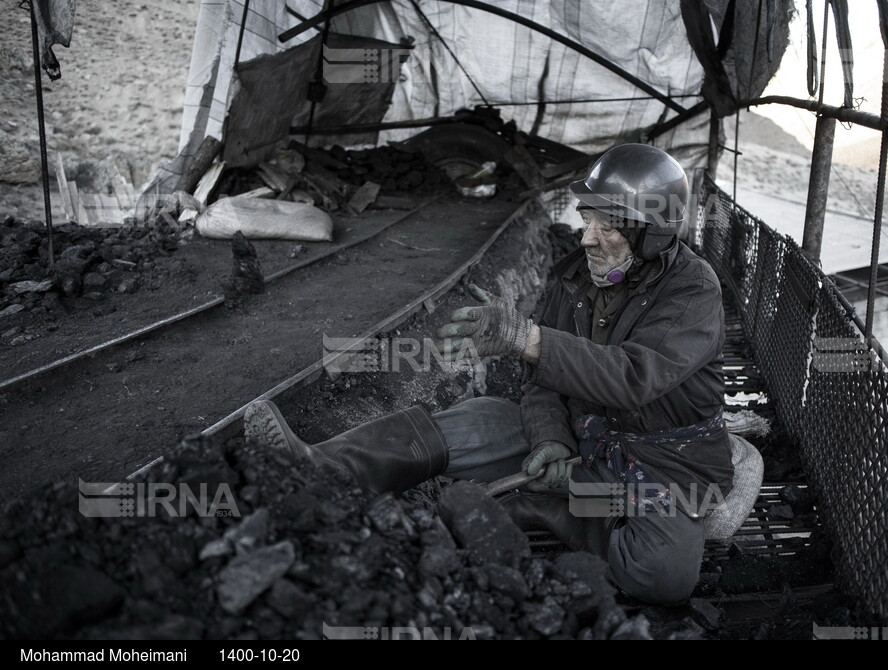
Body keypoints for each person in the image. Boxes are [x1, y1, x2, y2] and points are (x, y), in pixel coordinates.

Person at [245, 144, 746, 604]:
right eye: (586, 219)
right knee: (476, 418)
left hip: (663, 462)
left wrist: (527, 338)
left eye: (607, 226)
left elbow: (634, 376)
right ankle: (315, 467)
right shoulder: (574, 277)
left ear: (651, 232)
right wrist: (552, 438)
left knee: (661, 575)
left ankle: (555, 505)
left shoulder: (692, 290)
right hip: (585, 435)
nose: (588, 238)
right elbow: (543, 383)